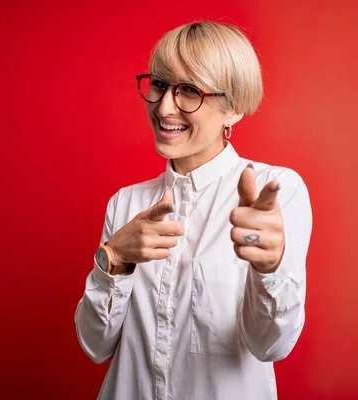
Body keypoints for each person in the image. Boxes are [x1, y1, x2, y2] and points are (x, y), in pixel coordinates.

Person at [74, 20, 312, 400]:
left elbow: (270, 346)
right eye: (159, 84)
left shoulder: (275, 193)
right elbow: (95, 345)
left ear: (232, 109)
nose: (164, 106)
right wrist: (113, 259)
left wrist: (269, 271)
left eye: (189, 90)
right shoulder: (127, 204)